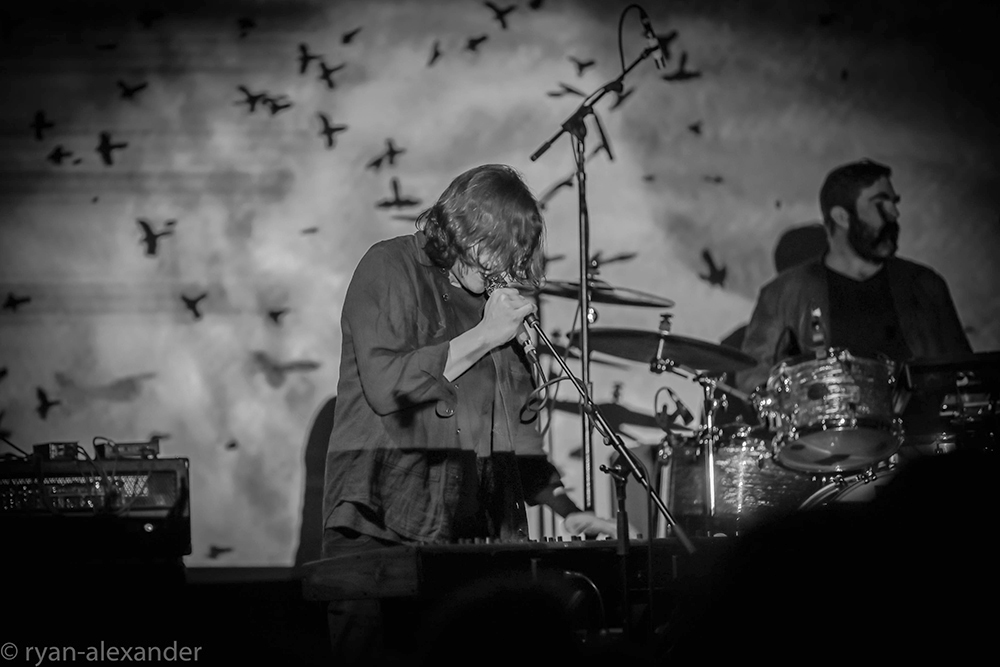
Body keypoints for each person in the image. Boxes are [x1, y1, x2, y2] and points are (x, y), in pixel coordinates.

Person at [319, 164, 614, 665]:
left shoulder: (493, 308)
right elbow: (387, 385)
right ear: (465, 231)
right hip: (381, 519)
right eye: (499, 247)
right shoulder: (390, 265)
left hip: (464, 536)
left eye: (517, 253)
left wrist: (569, 509)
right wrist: (486, 336)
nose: (508, 264)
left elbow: (513, 435)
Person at [736, 158, 972, 396]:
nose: (895, 214)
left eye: (894, 203)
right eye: (881, 204)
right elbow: (752, 375)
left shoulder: (925, 284)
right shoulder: (782, 293)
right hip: (831, 430)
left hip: (918, 429)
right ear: (841, 217)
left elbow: (968, 373)